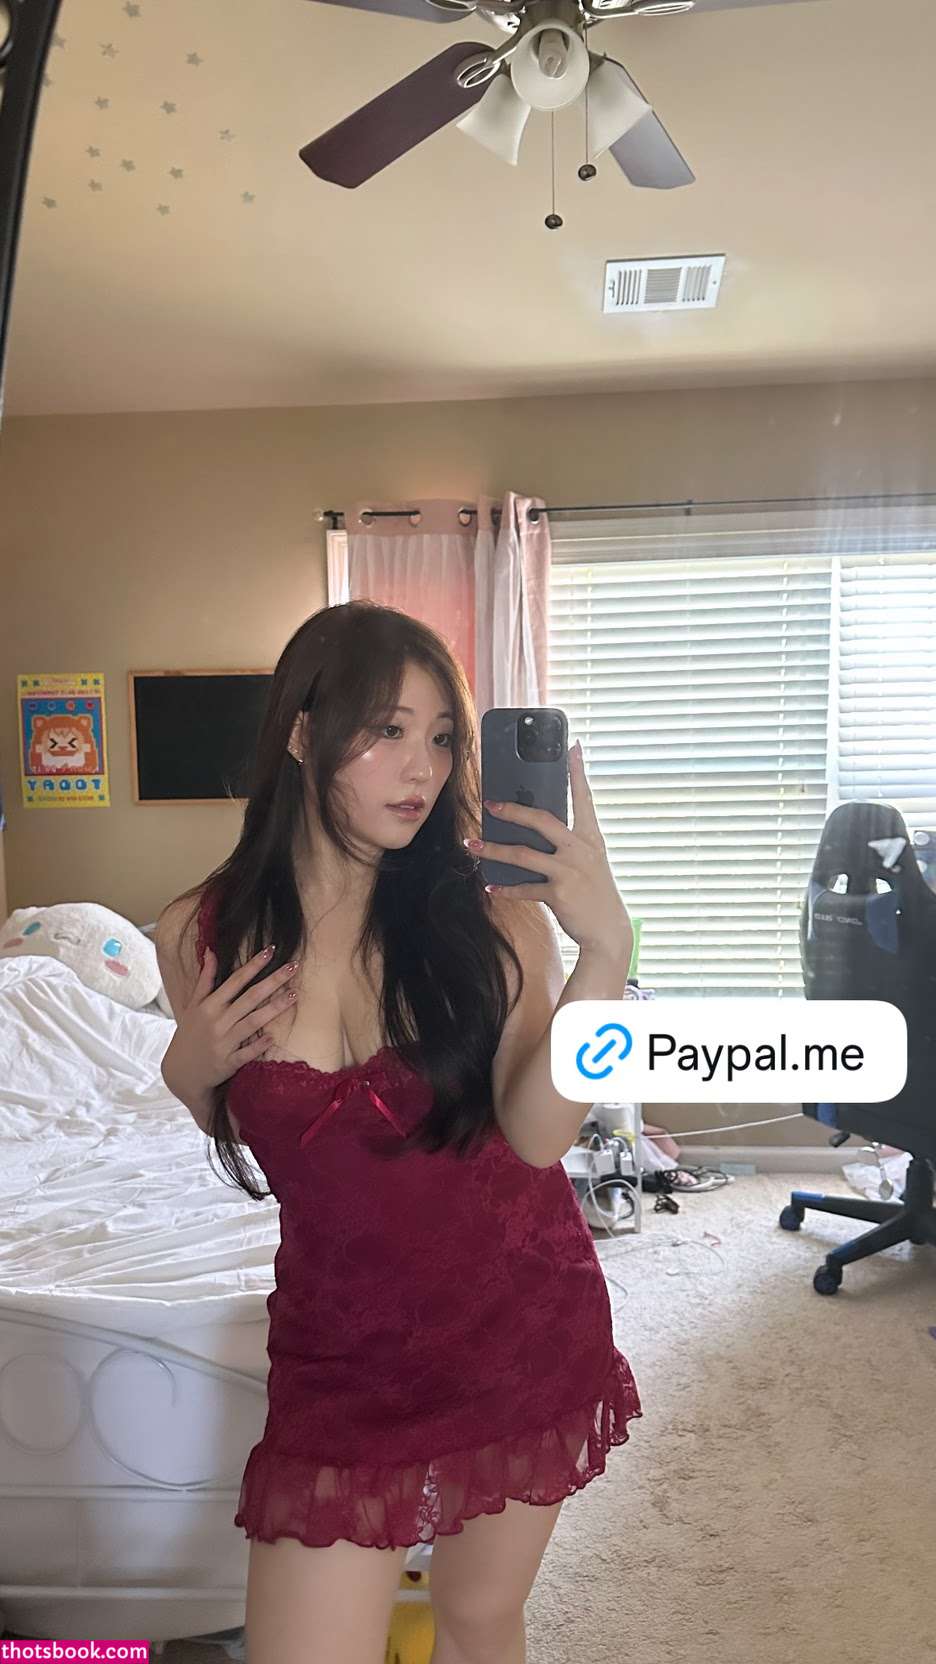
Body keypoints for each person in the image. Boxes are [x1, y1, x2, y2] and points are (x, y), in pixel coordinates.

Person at [155, 600, 642, 1664]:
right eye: (386, 729)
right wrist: (184, 1069)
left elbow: (538, 1137)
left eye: (441, 737)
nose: (421, 768)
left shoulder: (494, 917)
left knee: (477, 1622)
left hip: (518, 1329)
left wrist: (606, 952)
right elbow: (253, 1125)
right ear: (303, 731)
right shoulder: (203, 933)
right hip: (344, 1361)